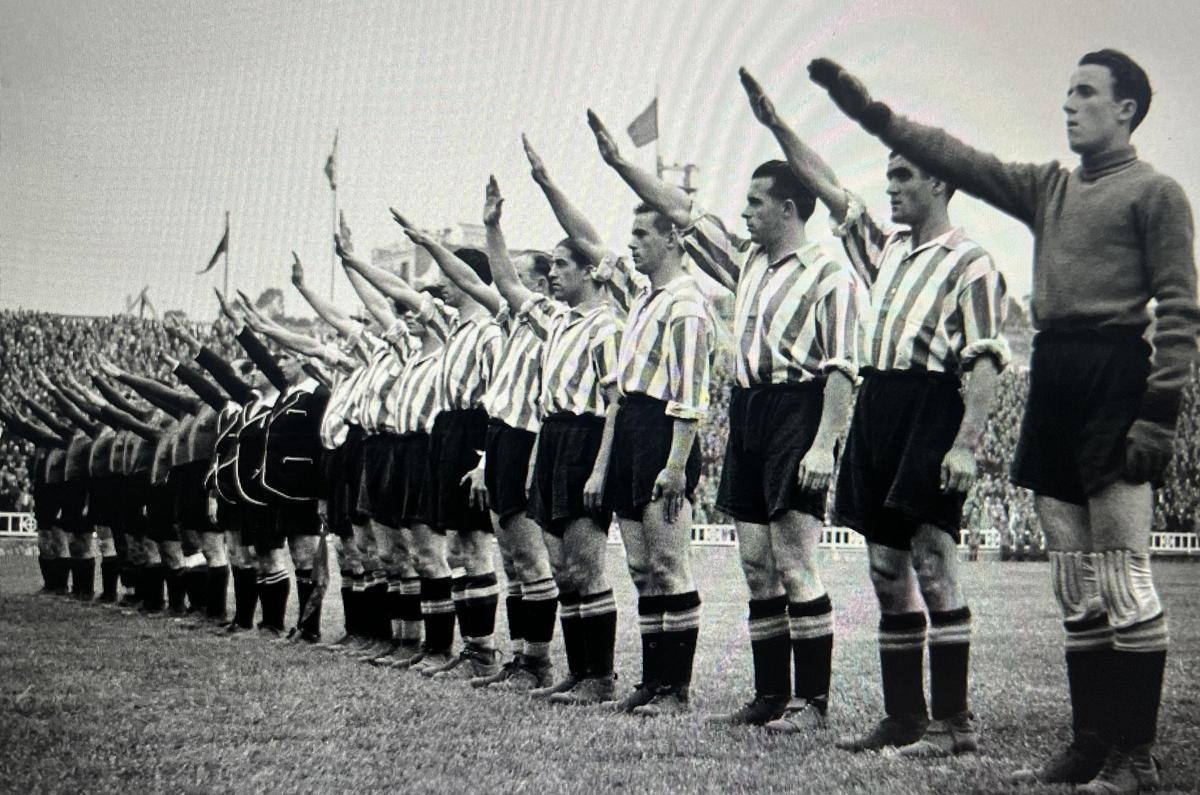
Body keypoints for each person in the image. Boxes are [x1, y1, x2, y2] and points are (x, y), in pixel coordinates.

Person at [809, 51, 1198, 790]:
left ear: (1127, 110)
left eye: (1086, 93)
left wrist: (1159, 415)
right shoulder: (1049, 188)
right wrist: (870, 112)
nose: (1070, 104)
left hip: (1115, 370)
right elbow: (963, 158)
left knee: (1122, 576)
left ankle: (1135, 756)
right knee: (1073, 583)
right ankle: (1088, 744)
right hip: (1053, 374)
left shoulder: (1157, 193)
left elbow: (1180, 310)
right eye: (1067, 90)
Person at [756, 64, 1010, 755]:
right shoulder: (885, 249)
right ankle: (905, 714)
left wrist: (965, 442)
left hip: (930, 404)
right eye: (889, 177)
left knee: (933, 559)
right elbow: (831, 189)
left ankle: (955, 722)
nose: (891, 188)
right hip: (878, 402)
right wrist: (778, 125)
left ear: (939, 181)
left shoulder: (972, 261)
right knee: (885, 568)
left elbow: (983, 358)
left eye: (904, 177)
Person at [600, 75, 859, 731]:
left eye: (755, 202)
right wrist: (621, 165)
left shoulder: (829, 272)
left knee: (797, 560)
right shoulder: (746, 263)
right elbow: (683, 214)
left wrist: (825, 442)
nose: (743, 213)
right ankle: (772, 693)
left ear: (790, 209)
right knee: (755, 564)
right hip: (747, 411)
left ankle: (814, 701)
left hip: (797, 410)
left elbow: (841, 370)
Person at [588, 110, 716, 716]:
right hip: (634, 426)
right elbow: (621, 392)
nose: (631, 245)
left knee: (669, 561)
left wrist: (675, 464)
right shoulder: (643, 301)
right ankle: (652, 680)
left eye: (642, 236)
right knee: (640, 566)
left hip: (666, 432)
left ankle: (678, 688)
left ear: (671, 237)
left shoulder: (687, 304)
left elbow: (691, 393)